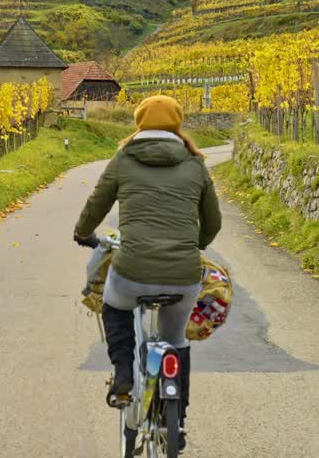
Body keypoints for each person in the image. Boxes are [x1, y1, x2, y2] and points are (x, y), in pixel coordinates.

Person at [74, 95, 221, 440]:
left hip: (131, 271)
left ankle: (124, 373)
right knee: (176, 342)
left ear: (139, 122)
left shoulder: (124, 159)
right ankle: (177, 420)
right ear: (177, 123)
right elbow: (212, 223)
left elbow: (96, 203)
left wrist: (83, 234)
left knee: (114, 305)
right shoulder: (195, 163)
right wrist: (192, 247)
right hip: (184, 275)